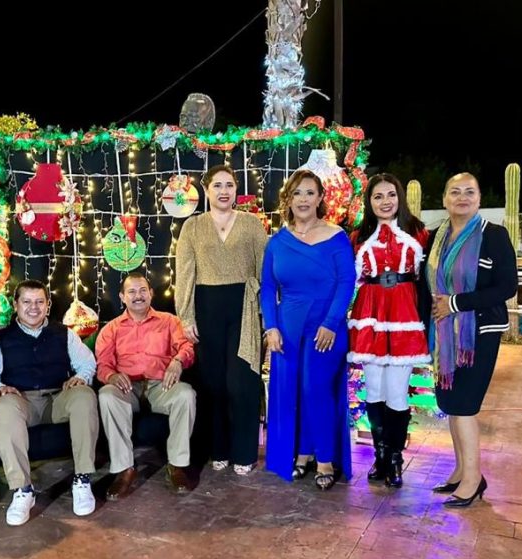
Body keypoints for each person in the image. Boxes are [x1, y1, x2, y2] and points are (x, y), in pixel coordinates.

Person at [419, 172, 517, 507]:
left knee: (464, 406)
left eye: (469, 192)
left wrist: (456, 304)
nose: (462, 197)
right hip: (442, 334)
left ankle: (474, 479)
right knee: (450, 405)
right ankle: (462, 471)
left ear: (479, 199)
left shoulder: (494, 236)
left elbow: (506, 288)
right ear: (444, 199)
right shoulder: (435, 238)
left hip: (479, 334)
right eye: (455, 192)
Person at [261, 169, 356, 490]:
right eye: (297, 193)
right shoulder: (277, 242)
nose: (303, 199)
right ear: (288, 199)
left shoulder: (336, 237)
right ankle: (302, 454)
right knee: (292, 392)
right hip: (286, 331)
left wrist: (331, 323)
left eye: (309, 193)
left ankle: (326, 459)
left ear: (319, 199)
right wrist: (270, 327)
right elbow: (267, 287)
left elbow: (346, 283)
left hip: (325, 328)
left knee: (316, 390)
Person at [0, 280, 99, 525]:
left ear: (48, 305)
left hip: (57, 398)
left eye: (39, 302)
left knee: (85, 395)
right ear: (16, 305)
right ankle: (22, 490)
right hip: (21, 401)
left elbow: (88, 364)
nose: (33, 308)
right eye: (27, 302)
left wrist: (80, 377)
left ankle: (82, 479)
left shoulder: (64, 333)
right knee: (2, 406)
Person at [175, 165, 269, 476]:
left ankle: (244, 452)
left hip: (244, 306)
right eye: (217, 185)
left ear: (236, 189)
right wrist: (186, 316)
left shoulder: (251, 223)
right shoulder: (193, 226)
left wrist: (266, 314)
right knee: (214, 383)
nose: (224, 191)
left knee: (241, 382)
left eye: (229, 185)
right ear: (206, 190)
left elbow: (264, 270)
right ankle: (219, 449)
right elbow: (185, 274)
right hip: (207, 307)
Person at [347, 173, 430, 488]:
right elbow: (348, 279)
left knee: (397, 391)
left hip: (404, 315)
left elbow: (427, 277)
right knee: (376, 389)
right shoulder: (357, 236)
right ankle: (381, 456)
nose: (385, 202)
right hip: (369, 315)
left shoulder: (419, 233)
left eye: (390, 195)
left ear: (400, 197)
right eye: (378, 196)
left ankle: (396, 457)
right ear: (369, 202)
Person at [96, 273, 197, 499]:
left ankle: (177, 465)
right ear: (122, 297)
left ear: (151, 293)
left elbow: (186, 347)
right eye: (131, 292)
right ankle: (124, 469)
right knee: (106, 396)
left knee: (186, 394)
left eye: (142, 290)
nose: (138, 296)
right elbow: (103, 365)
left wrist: (178, 361)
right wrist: (111, 376)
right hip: (126, 387)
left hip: (161, 384)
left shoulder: (170, 321)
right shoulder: (111, 329)